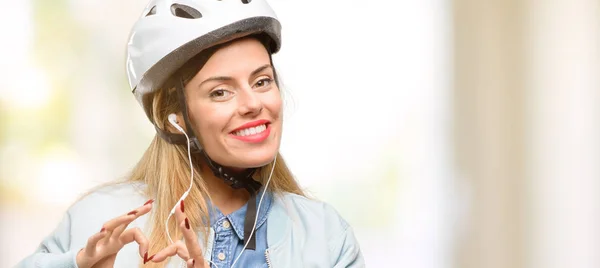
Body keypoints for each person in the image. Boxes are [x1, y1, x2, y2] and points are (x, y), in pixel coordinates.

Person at [17, 0, 364, 267]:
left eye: (262, 81)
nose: (252, 104)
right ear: (174, 118)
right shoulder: (99, 221)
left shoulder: (326, 236)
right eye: (220, 92)